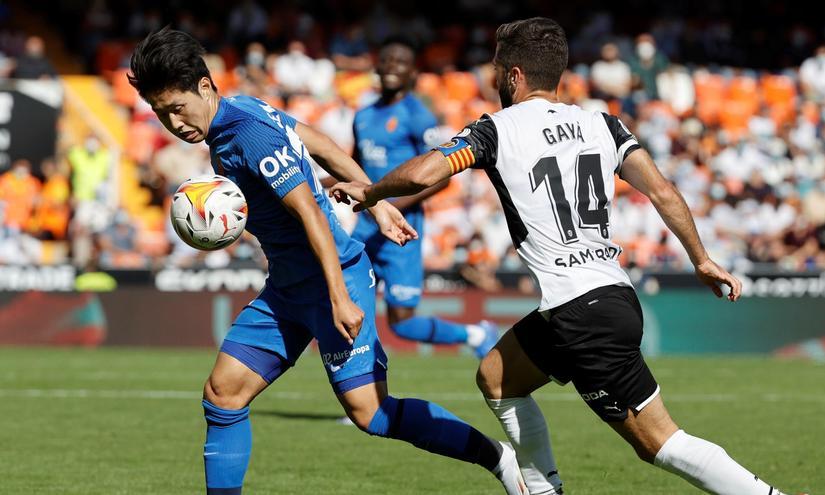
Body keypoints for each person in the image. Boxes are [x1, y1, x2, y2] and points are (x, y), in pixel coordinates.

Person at [331, 17, 798, 495]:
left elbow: (423, 173)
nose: (494, 80)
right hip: (602, 295)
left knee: (660, 442)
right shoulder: (603, 124)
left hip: (581, 313)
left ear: (513, 76)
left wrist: (370, 192)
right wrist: (700, 258)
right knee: (496, 376)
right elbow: (661, 190)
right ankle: (540, 488)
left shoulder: (495, 130)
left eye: (496, 71)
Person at [127, 27, 525, 495]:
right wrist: (375, 201)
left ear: (205, 87)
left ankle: (497, 457)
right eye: (160, 113)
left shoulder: (246, 133)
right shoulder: (240, 112)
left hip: (335, 279)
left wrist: (339, 296)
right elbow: (316, 141)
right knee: (223, 394)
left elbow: (310, 212)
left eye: (177, 108)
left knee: (372, 415)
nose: (173, 123)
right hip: (288, 288)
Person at [351, 37, 499, 356]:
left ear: (412, 72)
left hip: (403, 229)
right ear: (377, 67)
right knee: (348, 305)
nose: (392, 66)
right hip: (365, 226)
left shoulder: (418, 116)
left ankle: (475, 334)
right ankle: (362, 395)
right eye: (387, 60)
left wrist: (391, 206)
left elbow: (441, 177)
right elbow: (352, 166)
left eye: (400, 61)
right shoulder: (362, 116)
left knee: (402, 322)